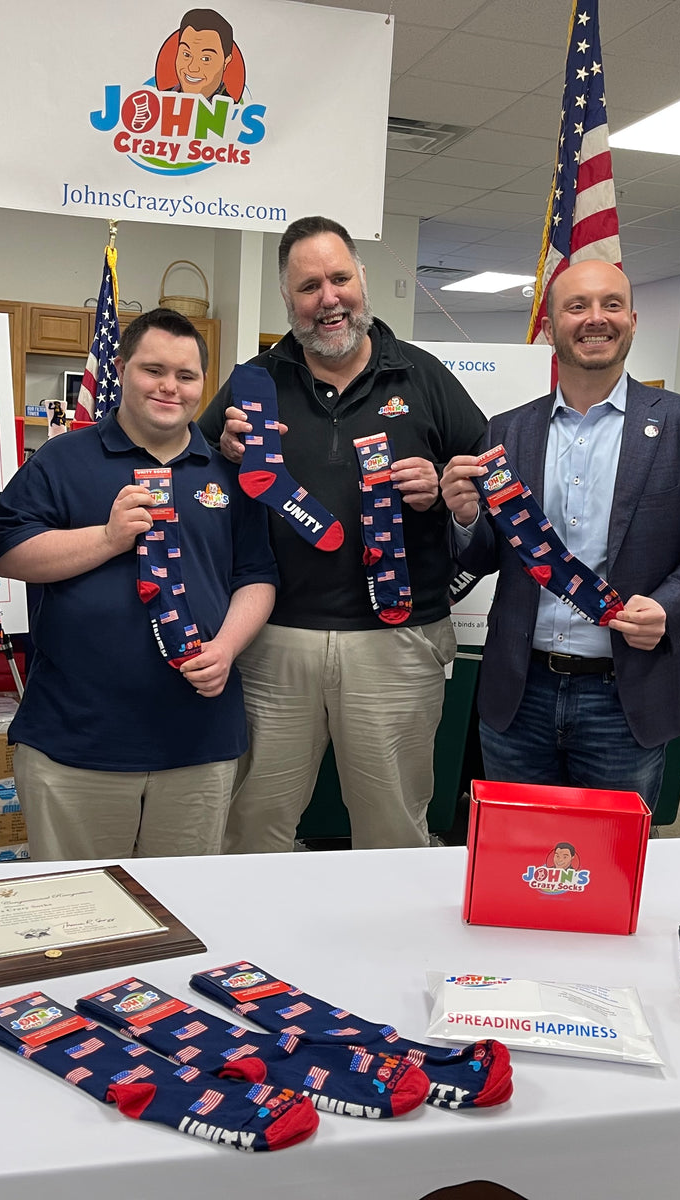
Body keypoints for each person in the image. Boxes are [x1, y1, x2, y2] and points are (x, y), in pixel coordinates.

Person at [198, 215, 487, 852]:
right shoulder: (253, 382)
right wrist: (220, 453)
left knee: (394, 828)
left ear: (362, 279)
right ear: (287, 298)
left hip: (398, 641)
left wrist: (446, 490)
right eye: (309, 287)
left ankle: (391, 923)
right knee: (252, 826)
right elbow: (196, 492)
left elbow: (491, 488)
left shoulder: (424, 377)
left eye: (339, 279)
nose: (328, 299)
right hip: (273, 640)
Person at [441, 259, 680, 803]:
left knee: (611, 851)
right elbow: (491, 553)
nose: (596, 318)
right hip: (520, 691)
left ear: (632, 320)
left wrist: (671, 606)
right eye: (577, 306)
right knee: (516, 845)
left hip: (626, 694)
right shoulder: (507, 430)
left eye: (612, 304)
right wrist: (466, 519)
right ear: (549, 327)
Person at [0, 308, 277, 861]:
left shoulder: (229, 473)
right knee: (80, 905)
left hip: (199, 742)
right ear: (121, 369)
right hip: (77, 742)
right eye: (153, 370)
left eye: (186, 376)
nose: (170, 387)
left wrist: (226, 647)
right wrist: (107, 537)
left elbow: (257, 576)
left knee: (183, 904)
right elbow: (10, 554)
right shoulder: (61, 459)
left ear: (203, 385)